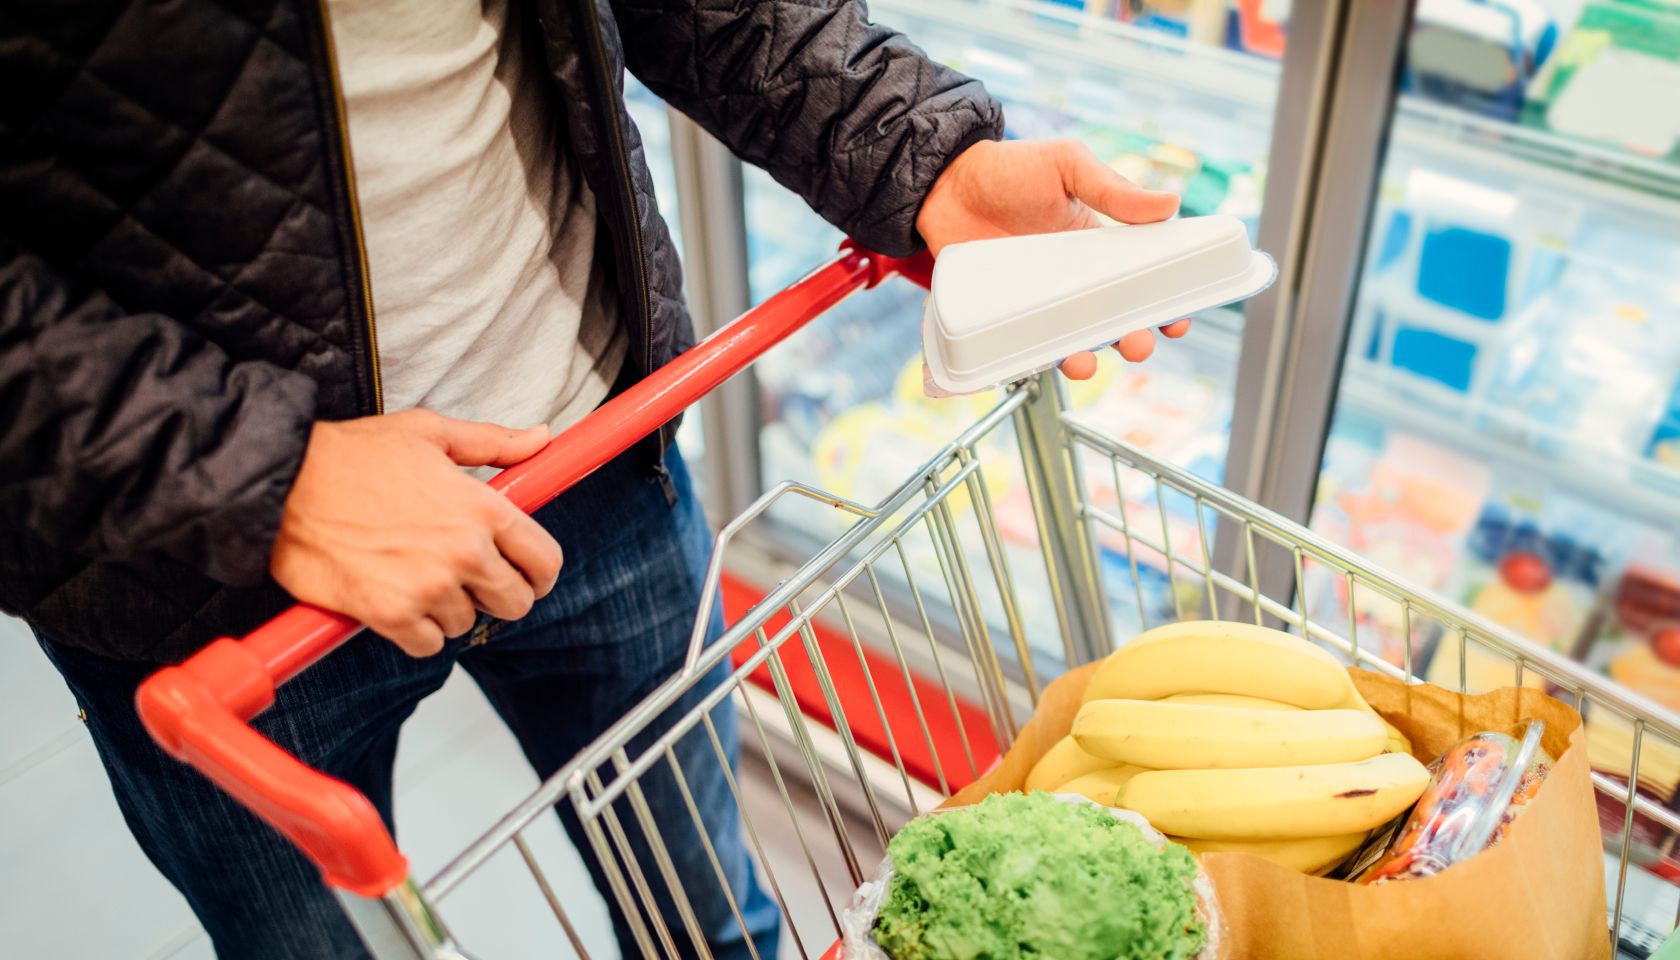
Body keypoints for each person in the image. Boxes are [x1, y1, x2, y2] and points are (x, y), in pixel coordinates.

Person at [0, 1, 1187, 957]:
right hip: (198, 595)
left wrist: (921, 157)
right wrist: (257, 477)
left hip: (597, 452)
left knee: (708, 924)